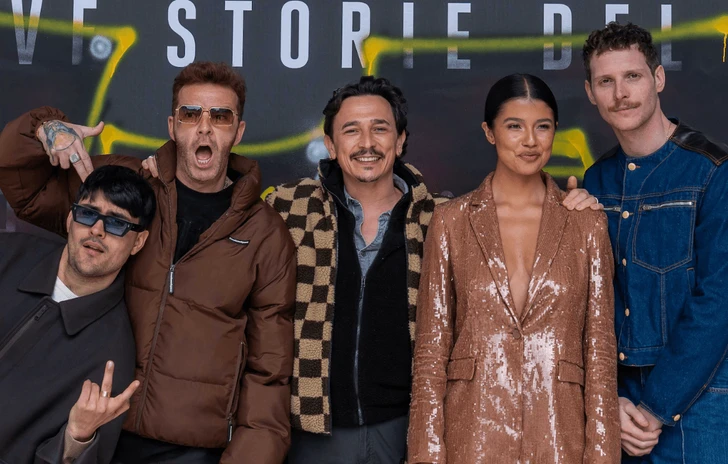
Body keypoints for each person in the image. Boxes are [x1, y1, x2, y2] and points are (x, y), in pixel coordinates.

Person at [260, 75, 602, 464]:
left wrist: (575, 205)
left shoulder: (441, 218)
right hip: (315, 430)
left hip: (404, 428)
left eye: (380, 129)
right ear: (331, 144)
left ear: (400, 140)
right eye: (351, 130)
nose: (367, 143)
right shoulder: (289, 209)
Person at [0, 61, 296, 464]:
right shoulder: (128, 186)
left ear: (238, 131)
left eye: (220, 116)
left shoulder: (265, 234)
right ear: (173, 126)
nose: (204, 128)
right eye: (190, 114)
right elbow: (27, 190)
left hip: (188, 451)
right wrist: (45, 128)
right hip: (93, 435)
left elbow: (269, 375)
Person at [407, 74, 620, 463]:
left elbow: (601, 355)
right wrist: (426, 455)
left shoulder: (587, 223)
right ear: (489, 132)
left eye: (543, 127)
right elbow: (431, 353)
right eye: (514, 126)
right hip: (472, 437)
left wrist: (602, 455)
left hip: (560, 438)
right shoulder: (451, 221)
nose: (530, 141)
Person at [582, 22, 728, 463]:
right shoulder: (596, 181)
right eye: (606, 81)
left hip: (700, 402)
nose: (620, 94)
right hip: (620, 406)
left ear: (658, 78)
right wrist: (608, 398)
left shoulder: (712, 171)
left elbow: (718, 301)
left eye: (633, 76)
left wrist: (655, 408)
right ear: (590, 93)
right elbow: (590, 302)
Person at [0, 165, 154, 464]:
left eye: (117, 223)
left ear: (138, 242)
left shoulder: (112, 357)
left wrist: (77, 438)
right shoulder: (7, 253)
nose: (97, 229)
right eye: (88, 213)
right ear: (71, 219)